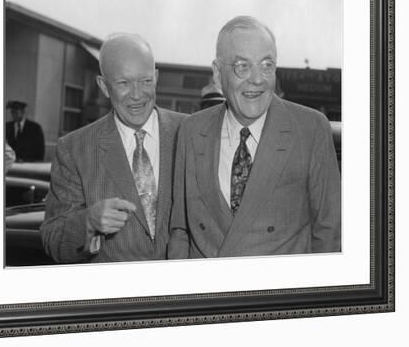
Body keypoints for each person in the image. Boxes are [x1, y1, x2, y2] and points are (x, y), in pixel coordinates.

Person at [168, 16, 341, 259]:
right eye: (242, 66)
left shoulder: (310, 129)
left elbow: (329, 232)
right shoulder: (191, 130)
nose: (258, 79)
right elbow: (180, 230)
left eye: (267, 64)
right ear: (217, 75)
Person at [40, 33, 186, 263]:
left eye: (146, 81)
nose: (137, 94)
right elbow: (53, 241)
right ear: (104, 86)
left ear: (156, 77)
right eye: (124, 83)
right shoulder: (74, 149)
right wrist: (88, 222)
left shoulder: (192, 132)